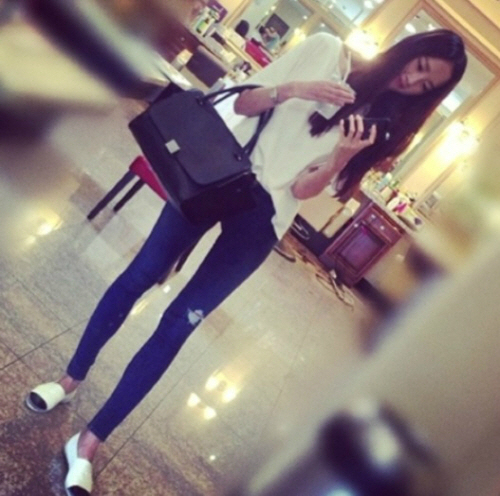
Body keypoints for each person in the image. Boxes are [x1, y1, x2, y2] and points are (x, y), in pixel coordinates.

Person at [26, 29, 466, 495]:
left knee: (181, 321)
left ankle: (90, 442)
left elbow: (302, 190)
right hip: (217, 174)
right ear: (410, 50)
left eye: (425, 86)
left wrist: (340, 158)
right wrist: (293, 90)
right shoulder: (325, 51)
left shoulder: (380, 127)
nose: (411, 82)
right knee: (140, 274)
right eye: (419, 67)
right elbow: (241, 103)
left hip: (265, 219)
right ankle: (69, 380)